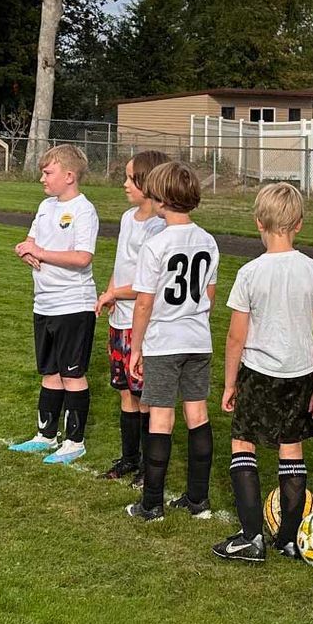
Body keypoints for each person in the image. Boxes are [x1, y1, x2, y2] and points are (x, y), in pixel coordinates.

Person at [216, 182, 313, 562]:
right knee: (290, 448)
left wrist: (231, 382)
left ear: (258, 221)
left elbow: (236, 337)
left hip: (260, 371)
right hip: (303, 371)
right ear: (299, 223)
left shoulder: (251, 272)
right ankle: (288, 540)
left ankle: (251, 538)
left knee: (243, 442)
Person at [125, 160, 220, 521]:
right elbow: (208, 296)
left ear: (161, 197)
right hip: (198, 339)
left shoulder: (156, 243)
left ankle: (151, 504)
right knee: (197, 413)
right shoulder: (208, 241)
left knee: (160, 419)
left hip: (164, 341)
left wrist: (136, 347)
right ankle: (198, 499)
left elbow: (145, 301)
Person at [9, 144, 101, 463]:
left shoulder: (83, 211)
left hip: (73, 305)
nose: (42, 179)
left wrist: (42, 253)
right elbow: (30, 242)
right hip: (44, 303)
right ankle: (45, 435)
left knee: (72, 374)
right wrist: (26, 249)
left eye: (48, 173)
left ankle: (75, 442)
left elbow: (82, 257)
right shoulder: (46, 206)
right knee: (50, 372)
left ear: (69, 175)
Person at [96, 148, 168, 483]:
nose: (124, 184)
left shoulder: (159, 227)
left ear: (149, 182)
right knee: (125, 391)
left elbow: (147, 286)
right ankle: (130, 458)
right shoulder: (128, 218)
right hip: (119, 318)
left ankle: (148, 467)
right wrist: (109, 293)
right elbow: (121, 264)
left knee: (145, 397)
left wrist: (115, 293)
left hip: (142, 325)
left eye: (130, 178)